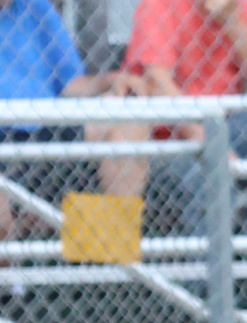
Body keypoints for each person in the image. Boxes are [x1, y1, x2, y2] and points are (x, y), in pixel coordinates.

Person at [105, 0, 247, 234]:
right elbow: (156, 84)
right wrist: (209, 138)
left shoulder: (242, 8)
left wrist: (233, 21)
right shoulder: (159, 6)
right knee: (203, 172)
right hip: (172, 135)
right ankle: (207, 266)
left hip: (227, 126)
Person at [0, 0, 150, 240]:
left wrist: (111, 81)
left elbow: (72, 83)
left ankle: (114, 254)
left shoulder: (36, 8)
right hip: (3, 135)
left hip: (49, 125)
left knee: (126, 121)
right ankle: (18, 269)